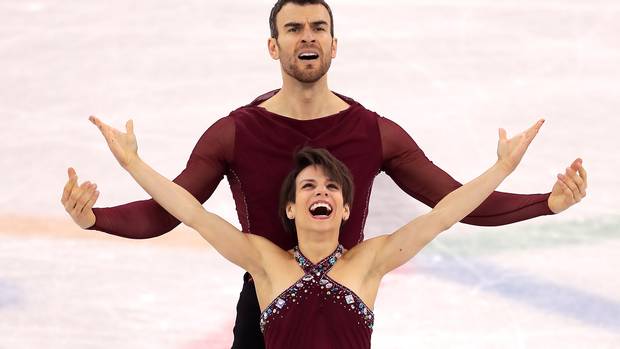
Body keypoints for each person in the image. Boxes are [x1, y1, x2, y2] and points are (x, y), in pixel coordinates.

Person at [61, 1, 588, 347]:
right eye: (293, 28)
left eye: (318, 27)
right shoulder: (236, 133)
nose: (306, 37)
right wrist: (95, 217)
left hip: (349, 284)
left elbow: (451, 204)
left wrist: (547, 201)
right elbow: (174, 211)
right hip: (268, 292)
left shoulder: (374, 132)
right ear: (275, 46)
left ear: (334, 45)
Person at [89, 115, 544, 348]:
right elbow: (191, 213)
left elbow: (444, 214)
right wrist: (132, 163)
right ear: (290, 206)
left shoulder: (368, 263)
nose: (318, 192)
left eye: (330, 187)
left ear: (346, 208)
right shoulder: (266, 263)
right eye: (308, 185)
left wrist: (502, 167)